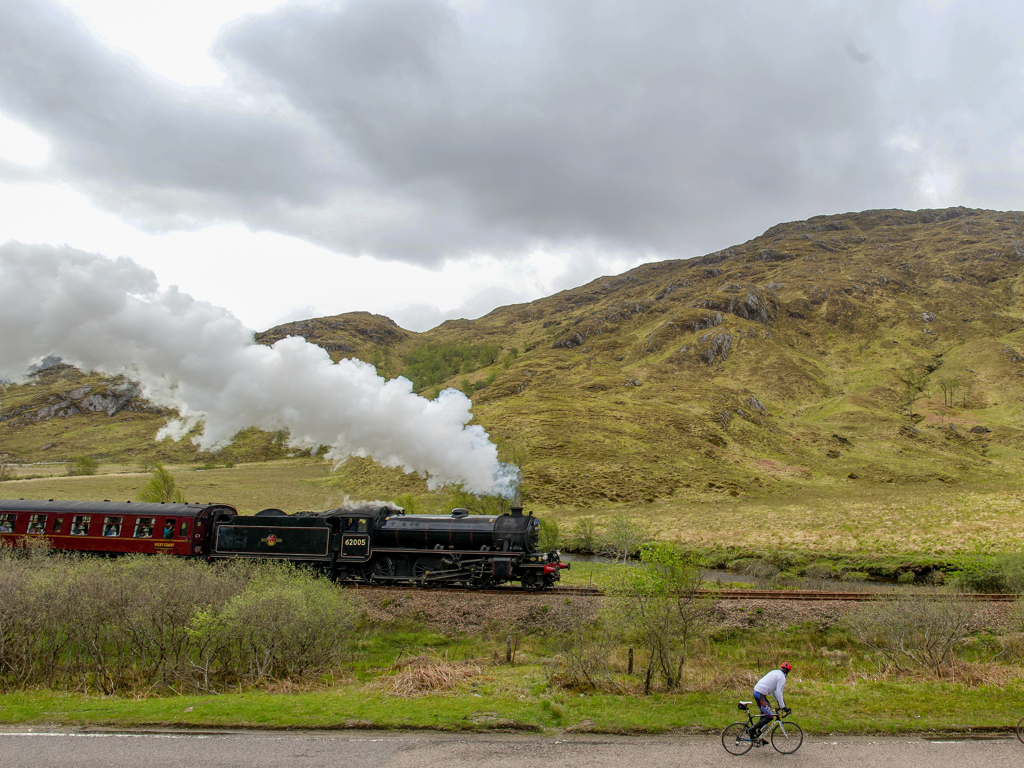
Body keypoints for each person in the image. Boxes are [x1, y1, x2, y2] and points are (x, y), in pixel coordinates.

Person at [749, 662, 792, 743]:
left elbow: (775, 691)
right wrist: (783, 707)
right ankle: (752, 730)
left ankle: (758, 735)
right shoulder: (782, 678)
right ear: (788, 672)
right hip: (761, 694)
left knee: (764, 714)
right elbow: (779, 692)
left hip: (758, 692)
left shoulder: (775, 672)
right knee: (770, 716)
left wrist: (779, 702)